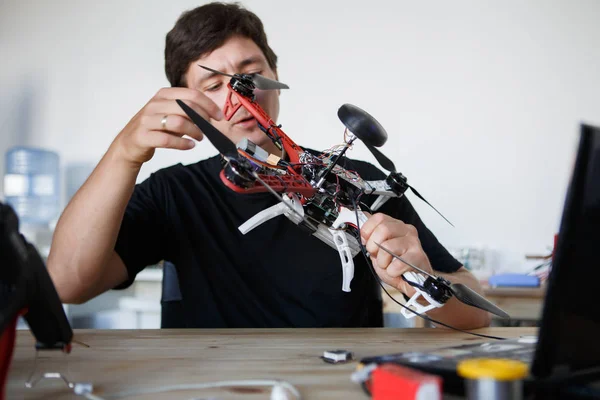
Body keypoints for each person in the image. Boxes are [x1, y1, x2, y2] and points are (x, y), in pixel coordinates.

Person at [47, 2, 491, 329]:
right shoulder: (173, 193)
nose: (239, 95)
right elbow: (67, 284)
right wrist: (125, 152)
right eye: (213, 83)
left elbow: (477, 315)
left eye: (249, 73)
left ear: (274, 75)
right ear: (187, 103)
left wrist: (420, 278)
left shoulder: (359, 182)